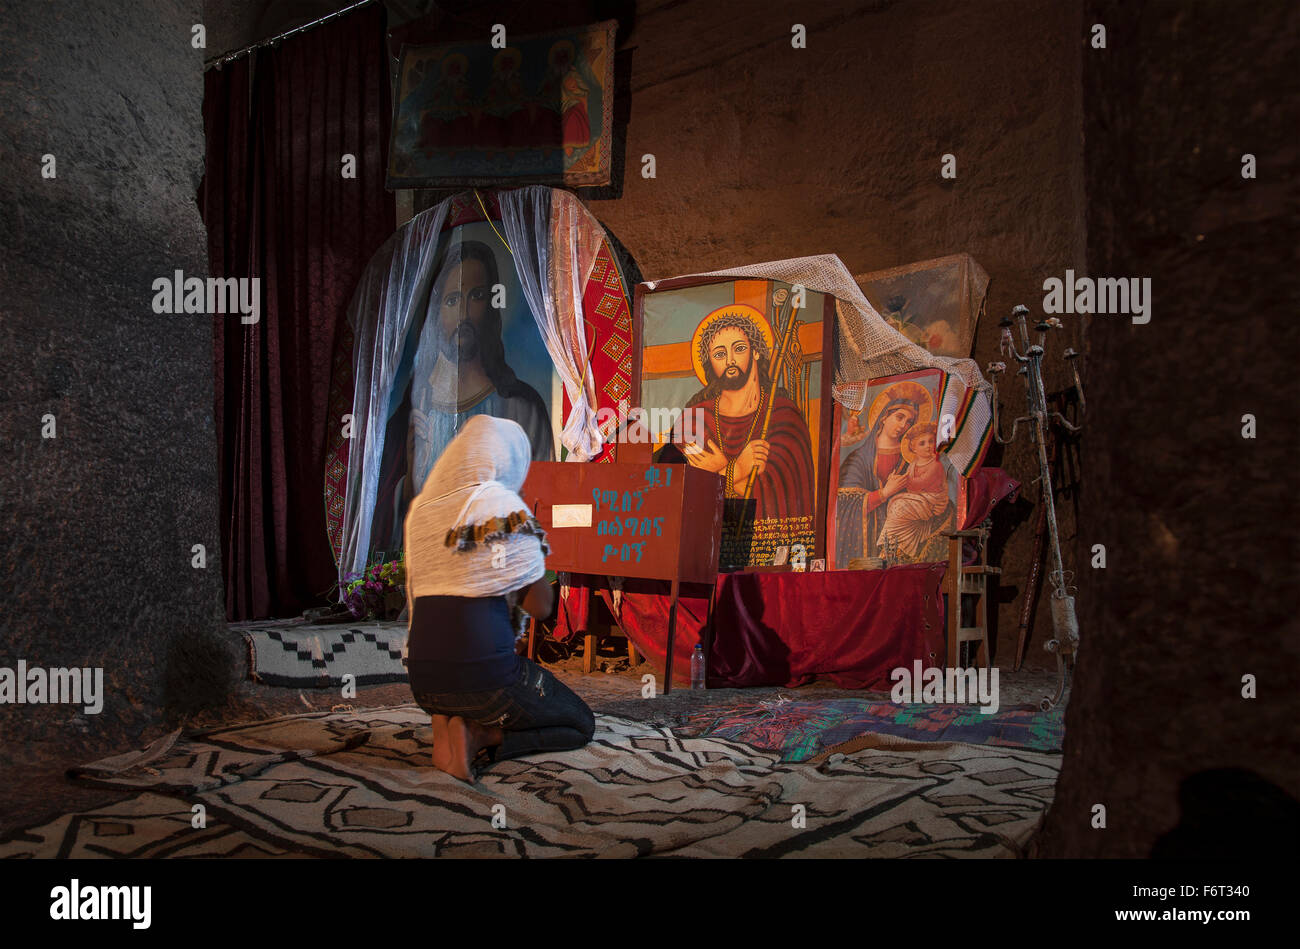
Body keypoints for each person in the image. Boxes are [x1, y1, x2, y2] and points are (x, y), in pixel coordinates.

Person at [403, 414, 594, 782]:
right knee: (580, 722)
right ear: (508, 460)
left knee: (451, 659)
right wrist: (533, 552)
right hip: (485, 680)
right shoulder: (501, 506)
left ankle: (446, 727)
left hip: (423, 684)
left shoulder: (422, 512)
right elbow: (540, 608)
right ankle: (481, 735)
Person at [371, 239, 553, 553]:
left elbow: (540, 507)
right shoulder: (410, 417)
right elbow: (384, 520)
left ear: (493, 305)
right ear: (434, 311)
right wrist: (410, 482)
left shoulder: (523, 409)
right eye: (452, 299)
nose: (464, 313)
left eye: (477, 297)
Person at [681, 306, 815, 520]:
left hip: (768, 544)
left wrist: (719, 472)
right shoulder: (695, 420)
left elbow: (786, 494)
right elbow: (687, 497)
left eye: (739, 348)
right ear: (710, 363)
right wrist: (737, 469)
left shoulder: (782, 414)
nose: (730, 360)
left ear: (756, 351)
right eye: (719, 354)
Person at [834, 380, 929, 567]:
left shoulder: (911, 458)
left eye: (909, 422)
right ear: (884, 417)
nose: (903, 425)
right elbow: (844, 505)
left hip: (901, 541)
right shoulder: (858, 459)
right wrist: (885, 493)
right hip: (869, 541)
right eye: (899, 417)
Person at [875, 422, 958, 560]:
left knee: (899, 506)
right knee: (896, 506)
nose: (928, 446)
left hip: (933, 501)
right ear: (913, 448)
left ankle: (890, 543)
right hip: (920, 499)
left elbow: (920, 483)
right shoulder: (913, 464)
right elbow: (911, 486)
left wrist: (901, 482)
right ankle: (896, 545)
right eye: (922, 443)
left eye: (931, 441)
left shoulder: (935, 465)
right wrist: (895, 479)